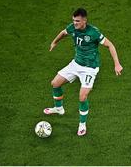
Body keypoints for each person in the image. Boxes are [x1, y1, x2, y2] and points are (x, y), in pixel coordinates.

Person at [44, 8, 123, 136]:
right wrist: (54, 42)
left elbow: (110, 45)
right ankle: (59, 109)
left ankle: (82, 124)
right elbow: (63, 33)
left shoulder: (94, 32)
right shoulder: (72, 28)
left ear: (84, 20)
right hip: (76, 63)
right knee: (55, 83)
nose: (75, 23)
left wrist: (117, 64)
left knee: (82, 96)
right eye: (74, 20)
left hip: (90, 68)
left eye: (77, 21)